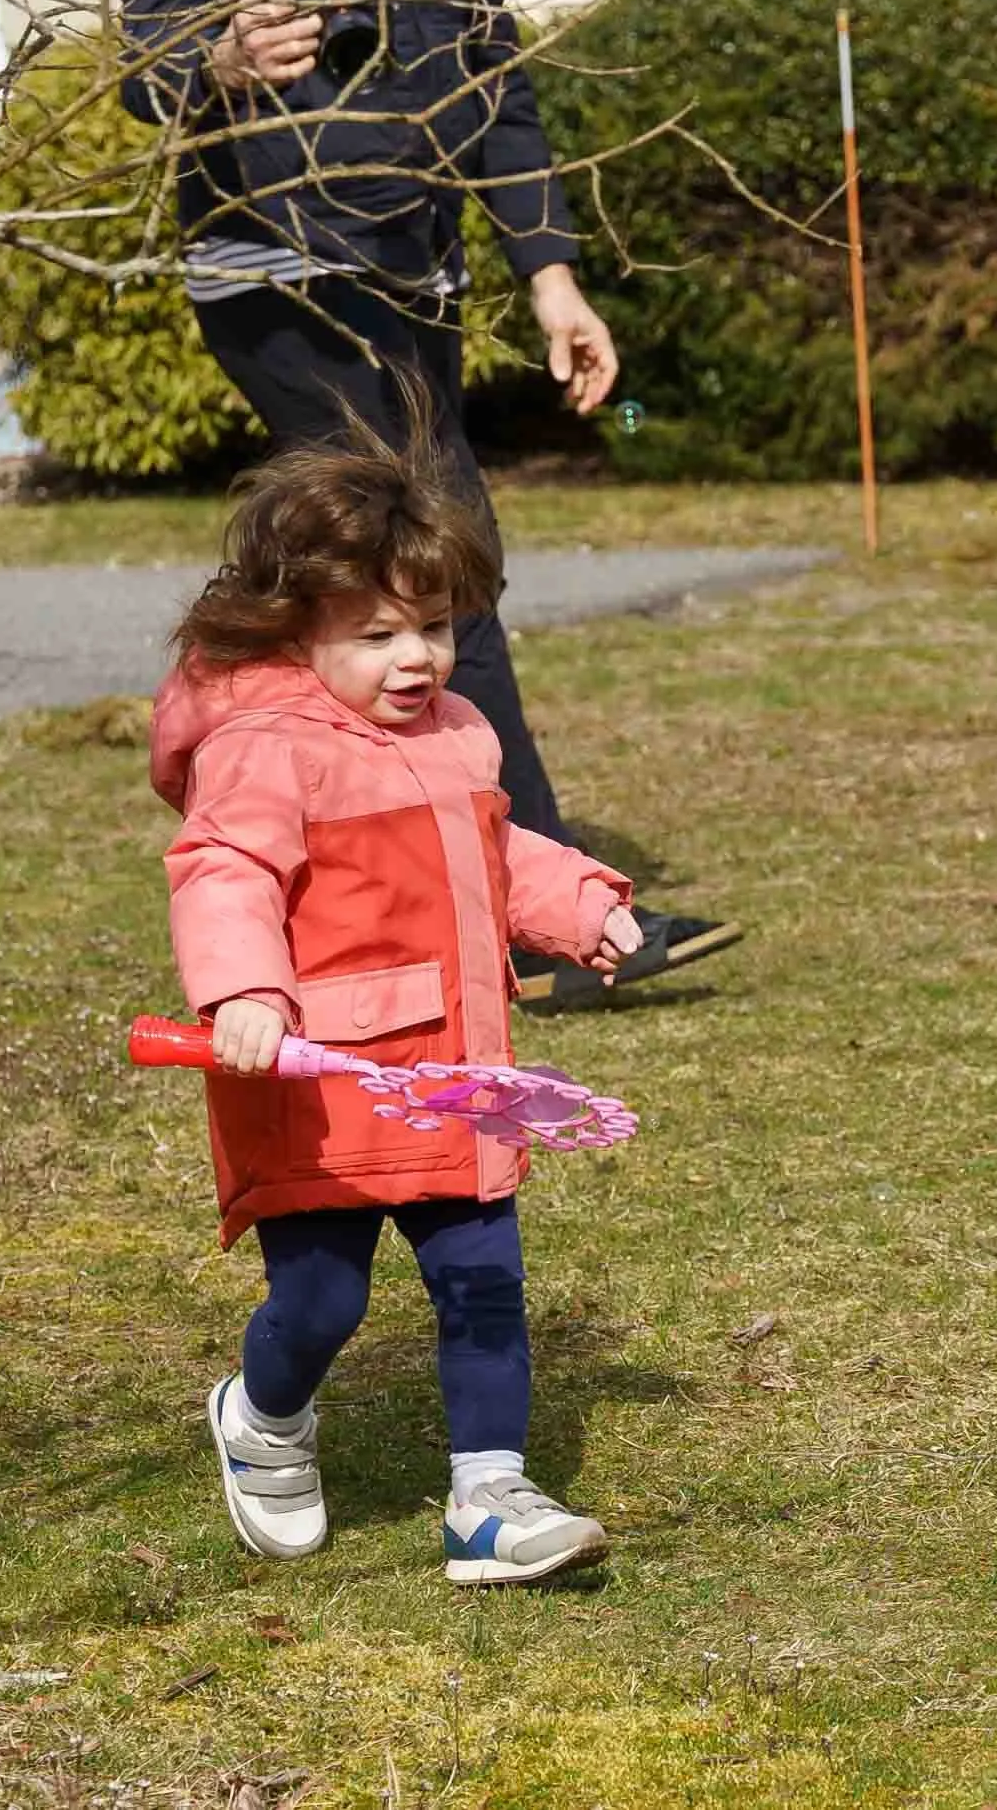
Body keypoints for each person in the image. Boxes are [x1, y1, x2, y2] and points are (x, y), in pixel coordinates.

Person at [122, 0, 735, 1010]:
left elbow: (489, 76)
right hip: (276, 271)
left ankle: (313, 825)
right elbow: (146, 60)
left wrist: (551, 274)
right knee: (440, 558)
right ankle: (543, 910)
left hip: (413, 268)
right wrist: (220, 56)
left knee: (361, 574)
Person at [150, 403, 637, 1581]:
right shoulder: (267, 746)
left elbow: (493, 851)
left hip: (458, 1075)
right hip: (320, 1085)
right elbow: (225, 870)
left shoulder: (457, 734)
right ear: (293, 631)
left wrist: (580, 904)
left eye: (432, 627)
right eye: (376, 635)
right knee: (321, 1302)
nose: (415, 658)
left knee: (484, 1284)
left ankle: (489, 1497)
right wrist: (244, 992)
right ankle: (263, 1418)